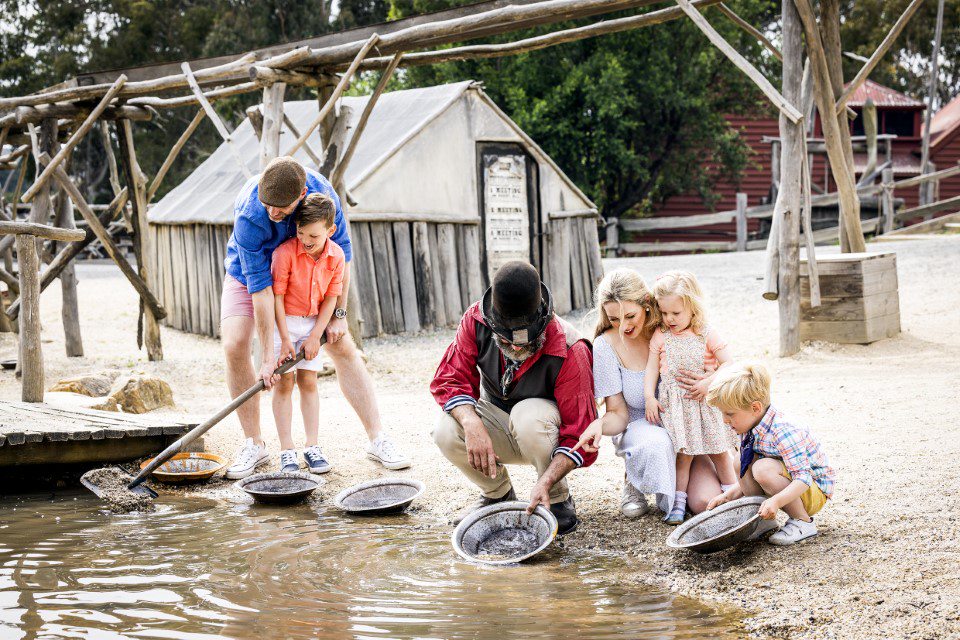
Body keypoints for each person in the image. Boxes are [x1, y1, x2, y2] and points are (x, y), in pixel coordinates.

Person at [220, 156, 410, 479]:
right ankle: (254, 444)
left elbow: (342, 255)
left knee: (342, 344)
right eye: (267, 205)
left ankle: (378, 438)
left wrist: (339, 315)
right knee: (235, 343)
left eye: (280, 209)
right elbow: (262, 291)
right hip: (251, 271)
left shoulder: (323, 196)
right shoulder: (251, 216)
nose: (272, 214)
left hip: (307, 265)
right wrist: (268, 357)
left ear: (302, 194)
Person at [430, 261, 596, 535]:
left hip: (541, 431)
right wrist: (471, 424)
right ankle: (498, 494)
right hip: (496, 420)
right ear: (492, 323)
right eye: (506, 339)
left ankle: (556, 498)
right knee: (445, 430)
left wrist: (547, 479)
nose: (517, 345)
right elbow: (450, 378)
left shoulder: (571, 348)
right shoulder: (475, 320)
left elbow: (580, 433)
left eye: (525, 339)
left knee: (527, 415)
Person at [573, 269, 676, 517]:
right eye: (614, 319)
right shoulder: (606, 344)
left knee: (702, 500)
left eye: (630, 316)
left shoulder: (669, 326)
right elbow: (618, 413)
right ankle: (634, 476)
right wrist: (598, 424)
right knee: (658, 443)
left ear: (647, 305)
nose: (623, 327)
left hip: (681, 420)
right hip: (638, 423)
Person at [706, 361, 836, 545]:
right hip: (789, 482)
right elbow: (745, 469)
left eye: (730, 414)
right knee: (741, 460)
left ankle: (803, 522)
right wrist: (728, 495)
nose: (725, 420)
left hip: (813, 490)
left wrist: (775, 501)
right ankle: (761, 522)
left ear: (755, 408)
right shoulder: (749, 426)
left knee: (762, 468)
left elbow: (803, 478)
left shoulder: (783, 430)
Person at [644, 270, 738, 525]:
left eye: (676, 313)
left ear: (692, 308)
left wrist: (709, 382)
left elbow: (730, 363)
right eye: (664, 313)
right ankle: (678, 502)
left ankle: (734, 494)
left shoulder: (706, 333)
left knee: (719, 451)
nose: (669, 319)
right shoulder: (662, 335)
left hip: (705, 405)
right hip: (678, 407)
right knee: (682, 455)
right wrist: (649, 398)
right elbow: (652, 368)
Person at [270, 193, 344, 474]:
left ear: (330, 230)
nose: (306, 240)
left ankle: (312, 446)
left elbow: (331, 298)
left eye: (313, 234)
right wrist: (286, 339)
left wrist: (316, 335)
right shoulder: (285, 254)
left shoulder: (336, 256)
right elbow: (276, 298)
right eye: (301, 233)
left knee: (309, 381)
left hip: (313, 322)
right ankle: (286, 449)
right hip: (284, 322)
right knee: (284, 383)